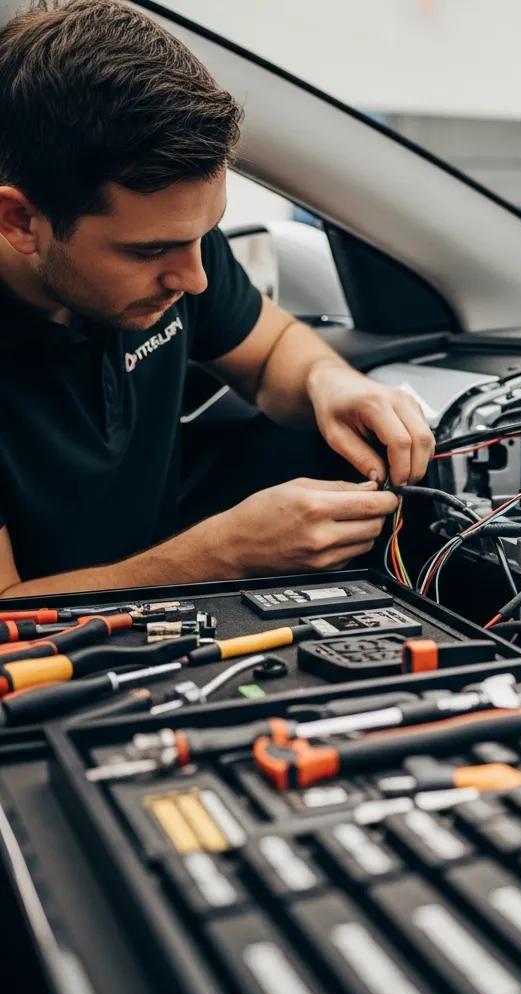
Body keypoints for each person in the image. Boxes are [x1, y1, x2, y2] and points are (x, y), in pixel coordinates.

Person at [0, 0, 435, 598]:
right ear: (21, 220)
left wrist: (331, 383)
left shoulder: (181, 255)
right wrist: (223, 553)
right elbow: (6, 613)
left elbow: (272, 349)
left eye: (206, 234)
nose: (195, 279)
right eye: (150, 251)